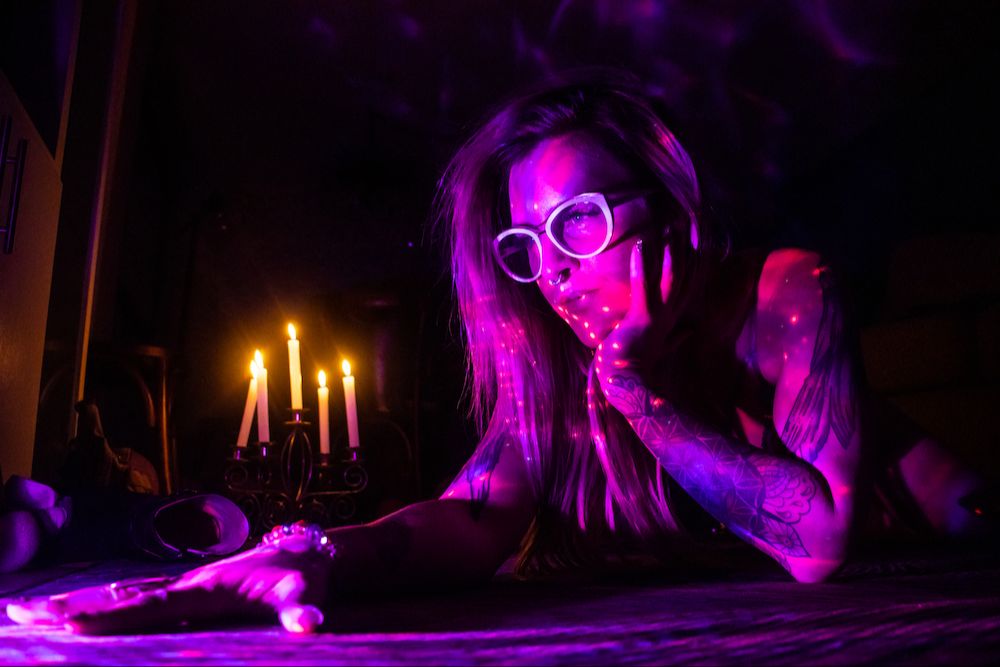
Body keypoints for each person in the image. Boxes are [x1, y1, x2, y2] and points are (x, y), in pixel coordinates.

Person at [7, 71, 988, 635]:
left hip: (921, 525)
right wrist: (303, 554)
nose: (552, 272)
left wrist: (637, 391)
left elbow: (818, 543)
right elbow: (469, 516)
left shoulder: (784, 292)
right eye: (527, 244)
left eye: (581, 221)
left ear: (675, 213)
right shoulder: (558, 371)